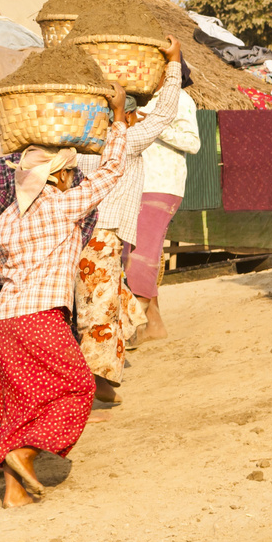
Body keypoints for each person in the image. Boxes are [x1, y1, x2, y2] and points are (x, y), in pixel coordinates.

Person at [0, 81, 129, 507]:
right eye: (68, 173)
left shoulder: (8, 217)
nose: (70, 179)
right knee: (78, 387)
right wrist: (117, 119)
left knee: (18, 402)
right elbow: (112, 172)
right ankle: (26, 454)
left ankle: (13, 493)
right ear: (59, 176)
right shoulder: (61, 204)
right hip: (40, 315)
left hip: (5, 319)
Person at [0, 150, 98, 470]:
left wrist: (42, 259)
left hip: (25, 287)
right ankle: (6, 445)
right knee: (6, 376)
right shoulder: (3, 168)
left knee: (29, 382)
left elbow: (84, 220)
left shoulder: (66, 171)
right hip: (23, 287)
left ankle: (15, 470)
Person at [73, 36, 182, 401]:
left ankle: (95, 378)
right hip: (100, 237)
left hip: (81, 237)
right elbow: (166, 112)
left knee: (104, 302)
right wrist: (174, 63)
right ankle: (95, 382)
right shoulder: (127, 141)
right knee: (99, 311)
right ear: (127, 114)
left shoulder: (79, 143)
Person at [127, 59, 200, 341]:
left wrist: (154, 125)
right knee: (139, 252)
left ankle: (129, 325)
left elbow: (193, 143)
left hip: (163, 184)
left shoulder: (181, 99)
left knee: (142, 254)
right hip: (137, 184)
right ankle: (154, 325)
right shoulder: (139, 99)